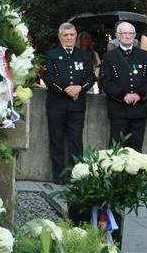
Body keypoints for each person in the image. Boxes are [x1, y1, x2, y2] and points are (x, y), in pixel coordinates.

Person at [41, 22, 94, 183]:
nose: (69, 38)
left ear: (75, 36)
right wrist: (65, 89)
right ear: (60, 37)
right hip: (56, 104)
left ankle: (75, 175)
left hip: (77, 105)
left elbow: (91, 77)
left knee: (75, 141)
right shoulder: (52, 55)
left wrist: (80, 88)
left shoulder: (84, 56)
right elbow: (49, 77)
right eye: (65, 35)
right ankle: (58, 176)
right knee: (56, 140)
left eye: (71, 35)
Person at [101, 21, 147, 151]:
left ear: (135, 35)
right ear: (117, 36)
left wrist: (139, 95)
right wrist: (123, 95)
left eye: (130, 33)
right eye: (123, 33)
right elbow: (107, 82)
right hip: (118, 109)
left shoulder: (145, 56)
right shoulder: (109, 57)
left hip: (139, 109)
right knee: (116, 149)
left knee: (136, 149)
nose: (127, 36)